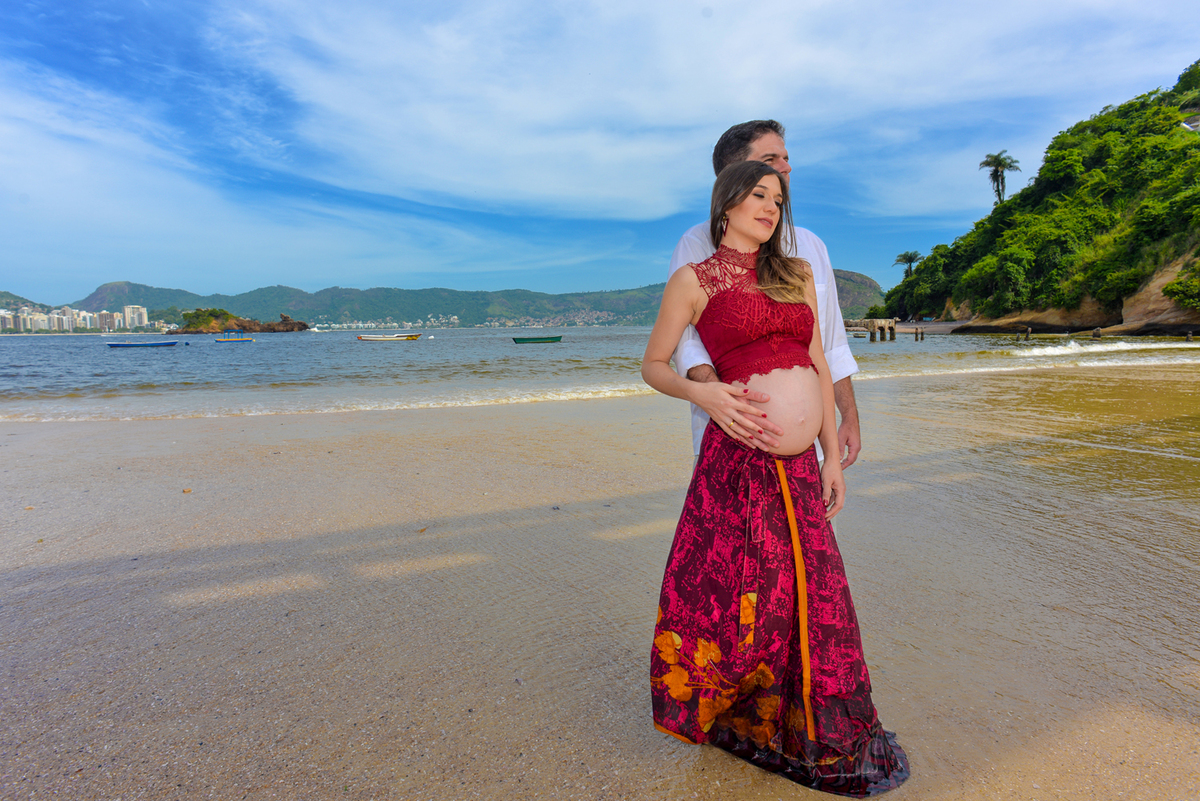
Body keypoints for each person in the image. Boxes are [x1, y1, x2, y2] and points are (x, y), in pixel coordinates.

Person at [641, 160, 909, 797]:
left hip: (798, 467)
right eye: (759, 196)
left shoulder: (797, 275)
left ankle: (813, 725)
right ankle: (739, 711)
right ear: (727, 203)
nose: (770, 207)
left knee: (814, 597)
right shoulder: (693, 280)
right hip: (739, 461)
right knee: (746, 597)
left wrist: (831, 457)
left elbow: (817, 366)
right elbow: (653, 365)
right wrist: (703, 397)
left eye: (778, 200)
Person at [669, 120, 860, 466]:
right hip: (735, 437)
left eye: (786, 159)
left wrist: (847, 415)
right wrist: (727, 405)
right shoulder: (695, 245)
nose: (786, 168)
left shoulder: (811, 248)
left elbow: (830, 344)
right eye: (770, 160)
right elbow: (686, 343)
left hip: (810, 449)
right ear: (732, 178)